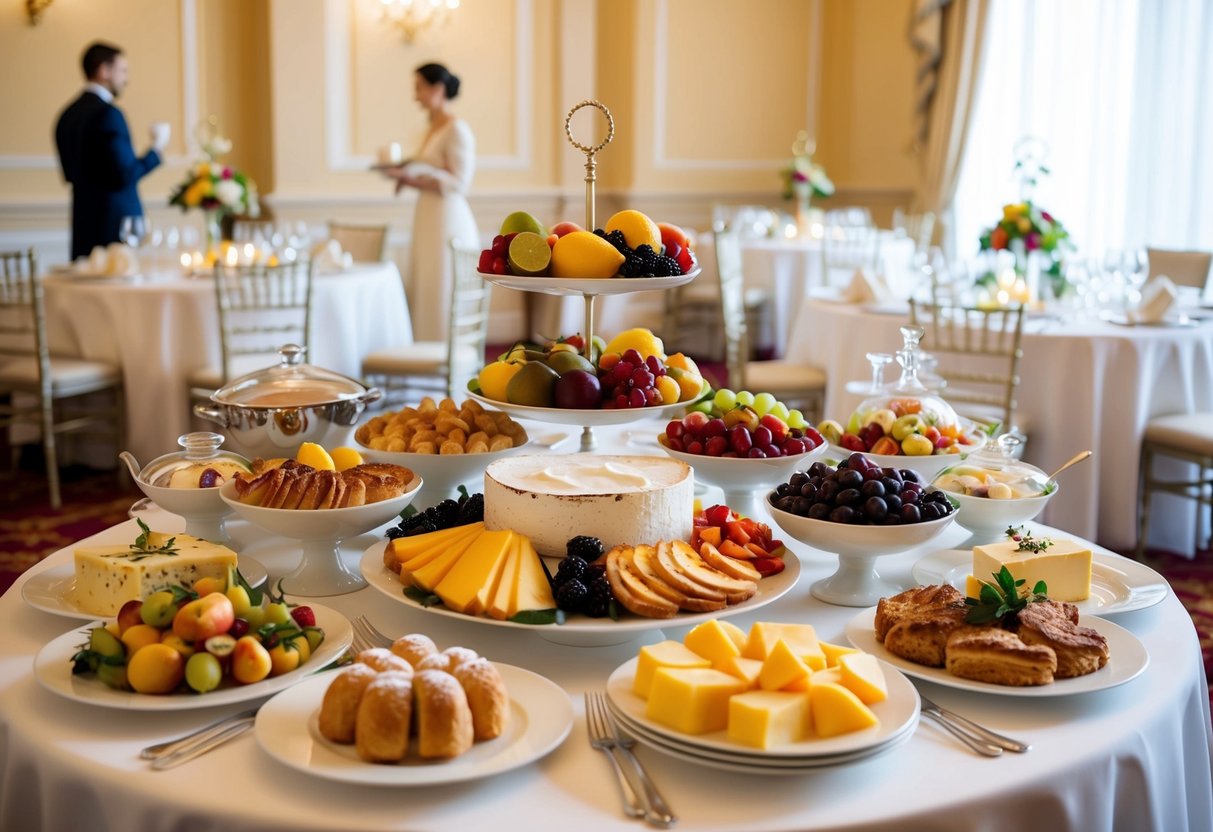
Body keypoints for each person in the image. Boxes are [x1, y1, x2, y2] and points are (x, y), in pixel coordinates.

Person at [382, 62, 479, 342]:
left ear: (437, 88)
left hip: (447, 217)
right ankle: (426, 347)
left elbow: (460, 182)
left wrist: (413, 177)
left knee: (442, 281)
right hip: (428, 214)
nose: (415, 96)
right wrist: (407, 176)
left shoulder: (457, 129)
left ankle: (446, 352)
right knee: (427, 280)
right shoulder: (431, 127)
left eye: (419, 88)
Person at [54, 41, 170, 260]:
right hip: (115, 228)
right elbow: (125, 174)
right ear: (104, 70)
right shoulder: (108, 114)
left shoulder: (66, 116)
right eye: (123, 71)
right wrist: (156, 149)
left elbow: (70, 174)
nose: (126, 79)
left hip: (82, 223)